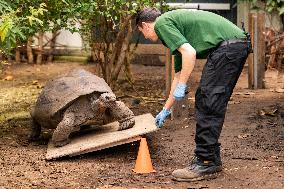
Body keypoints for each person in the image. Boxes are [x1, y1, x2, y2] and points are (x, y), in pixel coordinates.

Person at [135, 8, 252, 182]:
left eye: (141, 32)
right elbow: (177, 76)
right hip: (233, 46)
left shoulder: (162, 24)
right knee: (210, 99)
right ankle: (211, 157)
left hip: (229, 48)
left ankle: (206, 161)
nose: (144, 36)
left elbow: (190, 53)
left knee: (207, 100)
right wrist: (165, 109)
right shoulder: (175, 30)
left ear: (145, 25)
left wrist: (183, 85)